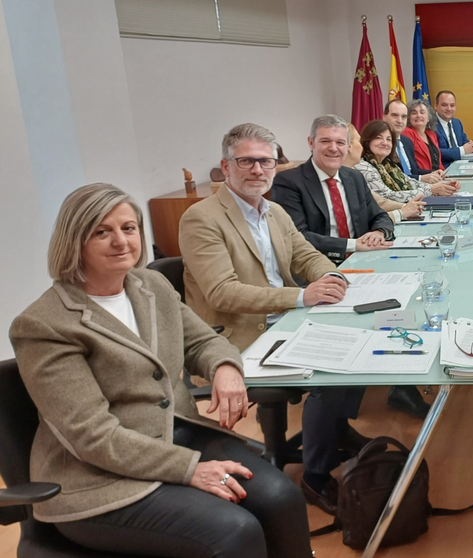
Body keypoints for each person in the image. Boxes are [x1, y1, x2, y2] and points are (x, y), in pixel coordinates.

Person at [10, 183, 312, 557]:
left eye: (129, 228)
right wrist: (189, 470)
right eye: (102, 232)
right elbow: (92, 437)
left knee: (282, 498)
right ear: (74, 242)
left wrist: (225, 368)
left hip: (174, 436)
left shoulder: (150, 284)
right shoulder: (45, 324)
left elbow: (203, 341)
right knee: (234, 530)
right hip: (98, 478)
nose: (121, 241)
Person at [180, 123, 368, 519]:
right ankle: (315, 477)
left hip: (283, 320)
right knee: (328, 376)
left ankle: (335, 429)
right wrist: (301, 295)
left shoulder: (274, 211)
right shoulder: (201, 218)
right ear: (225, 166)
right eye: (246, 161)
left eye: (265, 161)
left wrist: (332, 276)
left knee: (361, 337)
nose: (257, 170)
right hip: (237, 336)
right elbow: (222, 292)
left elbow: (305, 257)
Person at [271, 114, 395, 263]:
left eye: (340, 142)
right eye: (325, 141)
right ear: (311, 143)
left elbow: (379, 216)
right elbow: (297, 236)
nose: (333, 148)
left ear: (348, 146)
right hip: (317, 267)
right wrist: (352, 245)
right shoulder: (288, 182)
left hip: (364, 260)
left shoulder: (355, 178)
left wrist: (379, 232)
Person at [356, 119, 460, 204]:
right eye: (378, 138)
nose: (384, 143)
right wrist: (431, 190)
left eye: (388, 139)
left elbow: (410, 182)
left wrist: (441, 186)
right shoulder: (364, 167)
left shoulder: (389, 165)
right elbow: (388, 197)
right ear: (367, 141)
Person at [341, 122, 426, 224]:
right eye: (359, 141)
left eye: (388, 139)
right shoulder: (361, 168)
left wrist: (407, 207)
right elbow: (382, 201)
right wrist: (403, 211)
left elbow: (379, 201)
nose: (361, 146)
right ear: (349, 146)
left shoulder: (355, 173)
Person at [384, 99, 443, 184]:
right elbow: (393, 177)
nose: (399, 121)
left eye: (403, 116)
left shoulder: (406, 142)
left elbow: (414, 170)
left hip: (417, 187)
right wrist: (421, 178)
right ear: (384, 116)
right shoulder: (382, 144)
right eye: (395, 115)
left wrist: (432, 173)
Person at [434, 90, 473, 164]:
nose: (449, 109)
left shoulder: (457, 123)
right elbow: (434, 153)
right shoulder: (430, 125)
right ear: (436, 106)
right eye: (444, 105)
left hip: (462, 165)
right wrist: (462, 150)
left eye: (452, 105)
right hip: (443, 169)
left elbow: (465, 143)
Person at [402, 99, 445, 175]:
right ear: (409, 117)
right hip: (423, 178)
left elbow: (438, 161)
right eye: (414, 113)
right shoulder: (407, 133)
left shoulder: (432, 134)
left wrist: (443, 173)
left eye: (422, 112)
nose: (418, 115)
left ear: (428, 118)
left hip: (438, 176)